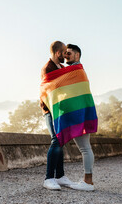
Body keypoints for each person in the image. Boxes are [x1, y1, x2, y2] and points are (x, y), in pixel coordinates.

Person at [40, 41, 74, 190]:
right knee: (55, 140)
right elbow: (52, 90)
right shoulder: (47, 68)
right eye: (64, 52)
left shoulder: (62, 68)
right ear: (58, 52)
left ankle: (60, 176)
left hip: (61, 110)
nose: (66, 55)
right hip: (50, 110)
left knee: (61, 140)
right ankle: (49, 178)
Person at [64, 44, 95, 191]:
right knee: (85, 147)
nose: (66, 56)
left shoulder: (75, 70)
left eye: (68, 53)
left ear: (77, 55)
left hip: (79, 115)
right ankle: (86, 180)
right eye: (64, 53)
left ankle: (88, 182)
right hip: (81, 113)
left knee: (84, 148)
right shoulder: (77, 70)